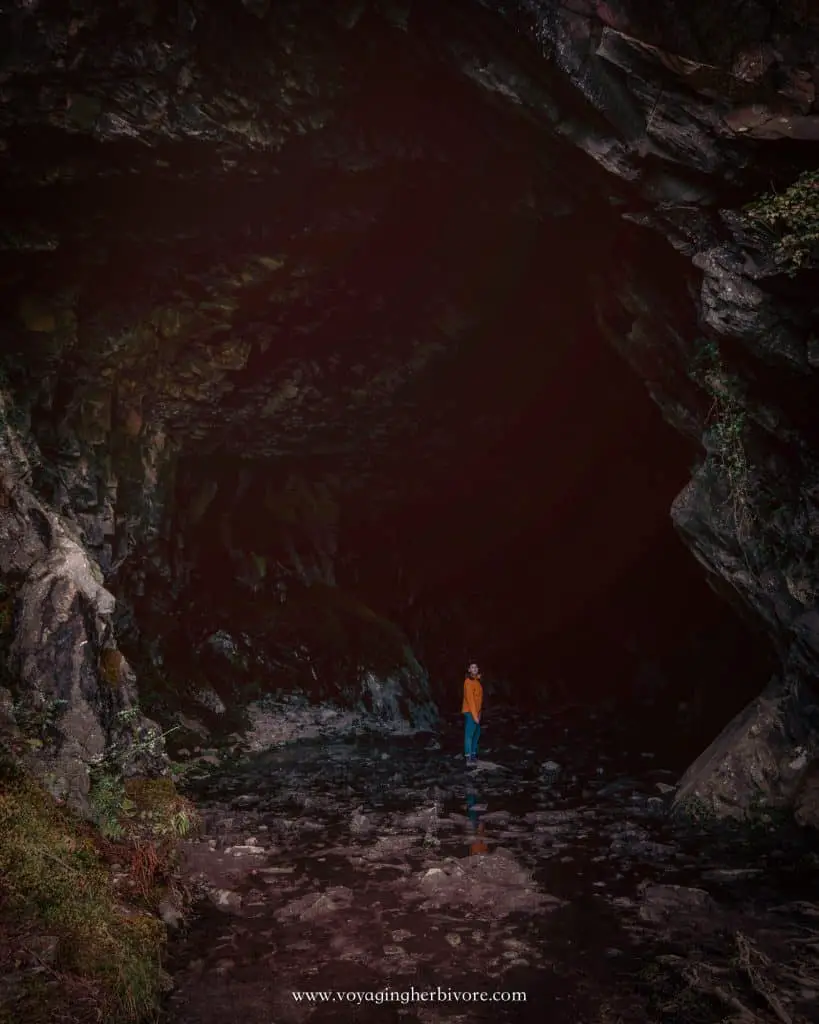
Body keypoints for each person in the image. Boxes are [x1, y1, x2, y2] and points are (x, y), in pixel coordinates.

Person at [462, 662, 482, 765]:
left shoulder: (477, 682)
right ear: (469, 670)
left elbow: (479, 700)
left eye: (476, 667)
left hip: (476, 712)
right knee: (469, 734)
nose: (474, 669)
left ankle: (473, 755)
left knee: (477, 733)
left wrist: (479, 713)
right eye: (472, 667)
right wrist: (475, 716)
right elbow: (470, 700)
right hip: (470, 712)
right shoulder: (468, 682)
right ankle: (468, 757)